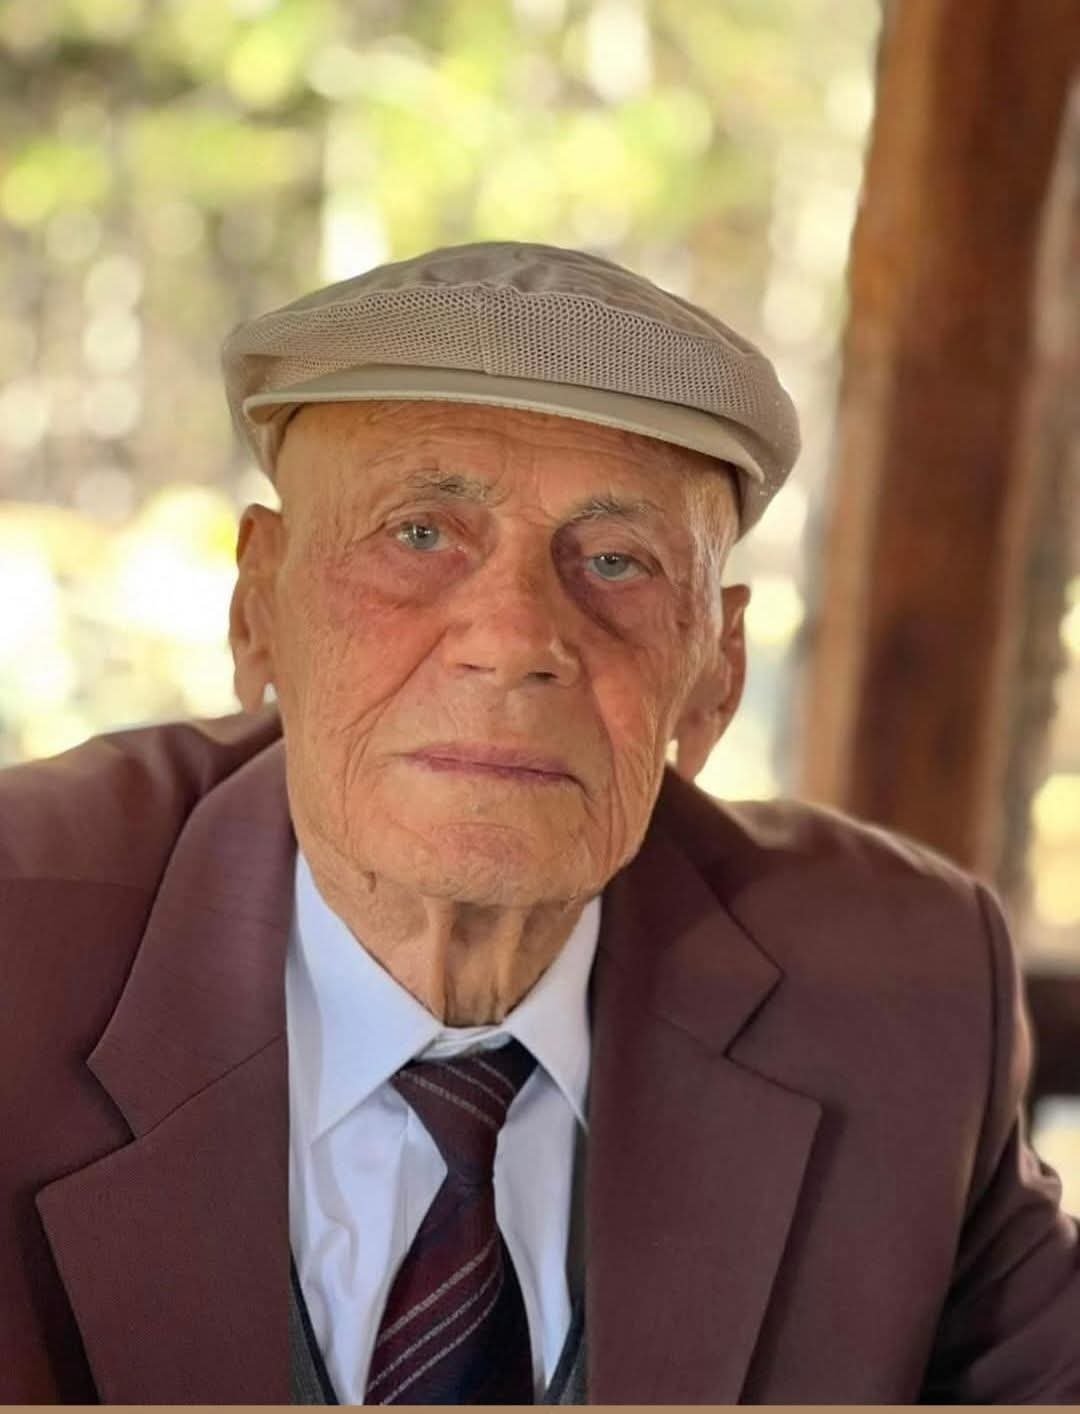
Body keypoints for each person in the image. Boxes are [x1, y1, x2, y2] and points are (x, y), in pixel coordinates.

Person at [1, 240, 1077, 1405]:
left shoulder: (899, 992)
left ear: (717, 669)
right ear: (260, 598)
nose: (514, 639)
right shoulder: (22, 944)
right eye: (420, 533)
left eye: (615, 561)